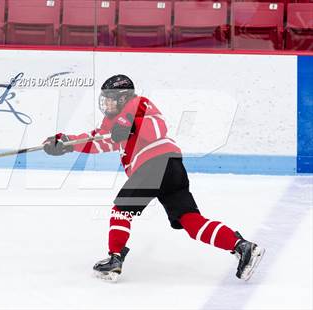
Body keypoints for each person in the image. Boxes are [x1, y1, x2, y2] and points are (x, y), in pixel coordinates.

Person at [43, 74, 265, 282]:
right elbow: (97, 141)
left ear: (122, 98)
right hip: (172, 169)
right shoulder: (112, 123)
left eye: (110, 99)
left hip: (155, 164)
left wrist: (130, 124)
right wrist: (65, 143)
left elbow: (157, 127)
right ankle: (242, 246)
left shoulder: (138, 104)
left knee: (122, 209)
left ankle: (115, 258)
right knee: (190, 220)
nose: (106, 104)